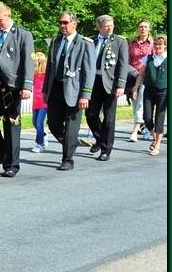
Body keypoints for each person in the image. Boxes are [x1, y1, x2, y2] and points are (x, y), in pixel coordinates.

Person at [0, 4, 35, 177]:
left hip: (12, 87)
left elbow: (29, 61)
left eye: (0, 20)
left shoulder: (23, 34)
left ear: (9, 16)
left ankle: (11, 164)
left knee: (11, 125)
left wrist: (27, 85)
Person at [42, 12, 94, 171]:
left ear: (74, 24)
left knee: (71, 127)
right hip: (56, 88)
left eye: (65, 22)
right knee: (53, 124)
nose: (62, 26)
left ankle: (67, 160)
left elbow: (89, 71)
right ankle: (71, 142)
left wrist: (85, 95)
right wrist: (45, 90)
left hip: (75, 91)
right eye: (60, 23)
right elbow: (50, 68)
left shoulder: (85, 43)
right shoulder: (56, 41)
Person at [85, 15, 129, 161]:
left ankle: (105, 150)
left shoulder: (120, 41)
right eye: (106, 26)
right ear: (99, 27)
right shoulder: (91, 40)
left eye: (111, 25)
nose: (110, 28)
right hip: (94, 82)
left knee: (109, 119)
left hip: (111, 84)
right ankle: (100, 139)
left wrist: (121, 85)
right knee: (90, 115)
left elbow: (123, 64)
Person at [132, 35, 167, 156]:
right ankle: (155, 137)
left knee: (159, 118)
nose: (157, 46)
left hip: (163, 91)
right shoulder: (148, 58)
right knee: (146, 118)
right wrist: (135, 88)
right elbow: (141, 74)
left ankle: (157, 145)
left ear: (165, 46)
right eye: (155, 44)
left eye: (160, 44)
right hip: (149, 90)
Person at [126, 20, 154, 142]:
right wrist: (135, 73)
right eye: (141, 27)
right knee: (135, 104)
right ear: (137, 28)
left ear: (149, 29)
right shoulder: (131, 44)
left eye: (145, 27)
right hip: (133, 76)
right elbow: (127, 61)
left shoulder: (153, 44)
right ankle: (145, 125)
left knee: (141, 104)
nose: (143, 29)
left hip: (147, 77)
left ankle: (134, 132)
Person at [31, 52, 49, 152]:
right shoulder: (34, 75)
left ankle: (39, 144)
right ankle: (44, 135)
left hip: (44, 102)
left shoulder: (46, 75)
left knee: (39, 121)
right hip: (36, 102)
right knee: (34, 122)